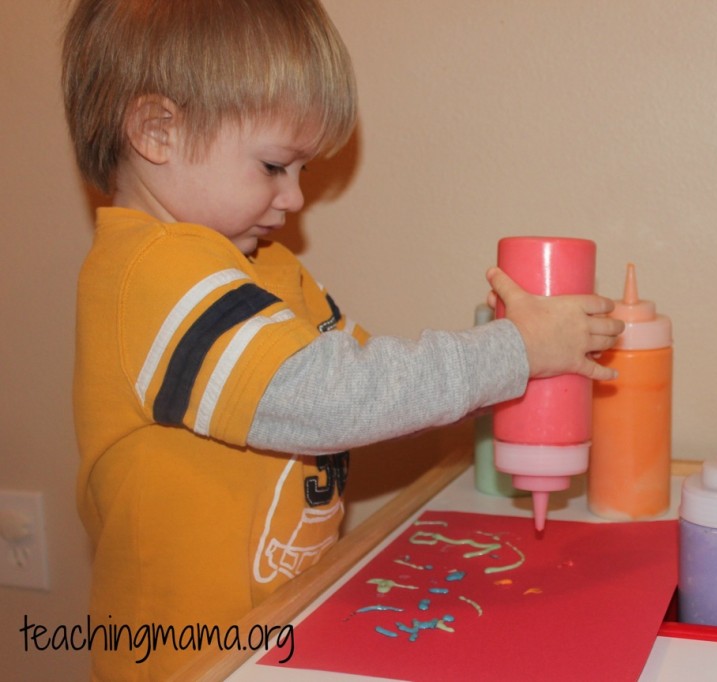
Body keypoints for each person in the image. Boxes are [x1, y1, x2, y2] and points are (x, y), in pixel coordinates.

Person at [61, 0, 623, 678]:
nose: (295, 199)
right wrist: (513, 355)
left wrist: (509, 368)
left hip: (273, 635)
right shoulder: (153, 274)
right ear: (158, 132)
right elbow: (333, 400)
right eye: (275, 166)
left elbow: (371, 385)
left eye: (303, 171)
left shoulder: (260, 270)